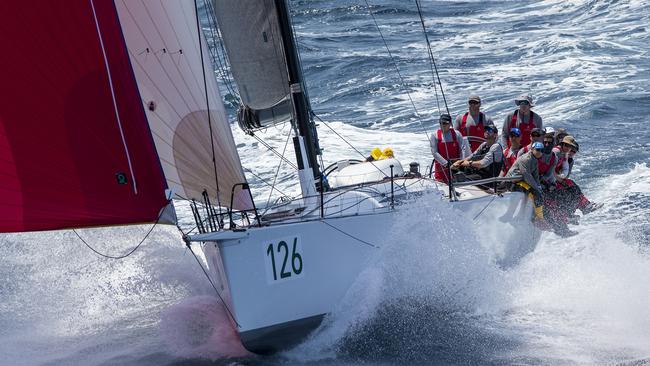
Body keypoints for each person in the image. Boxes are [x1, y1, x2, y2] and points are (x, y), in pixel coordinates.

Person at [506, 141, 547, 227]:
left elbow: (535, 175)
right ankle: (539, 219)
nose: (540, 152)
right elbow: (527, 175)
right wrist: (536, 188)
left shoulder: (534, 159)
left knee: (539, 193)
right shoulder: (526, 159)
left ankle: (536, 217)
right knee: (534, 193)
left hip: (521, 181)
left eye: (542, 150)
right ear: (532, 149)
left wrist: (539, 187)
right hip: (512, 182)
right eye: (538, 150)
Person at [431, 114, 468, 184]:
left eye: (445, 123)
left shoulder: (457, 134)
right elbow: (434, 152)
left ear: (450, 123)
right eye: (441, 123)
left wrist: (460, 162)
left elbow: (463, 148)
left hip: (456, 167)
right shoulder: (434, 135)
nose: (443, 125)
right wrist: (446, 164)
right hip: (441, 169)